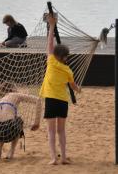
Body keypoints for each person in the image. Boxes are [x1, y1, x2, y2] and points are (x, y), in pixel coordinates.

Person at [39, 13, 81, 165]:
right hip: (63, 101)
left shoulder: (51, 62)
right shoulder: (68, 70)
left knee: (51, 132)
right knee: (61, 131)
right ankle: (63, 157)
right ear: (66, 57)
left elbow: (50, 44)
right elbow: (73, 86)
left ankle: (53, 158)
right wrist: (78, 90)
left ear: (55, 55)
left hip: (51, 99)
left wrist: (51, 26)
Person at [0, 82, 42, 160]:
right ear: (12, 89)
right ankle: (11, 152)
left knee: (4, 121)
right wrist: (37, 122)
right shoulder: (15, 95)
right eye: (15, 87)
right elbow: (38, 100)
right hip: (8, 130)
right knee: (18, 120)